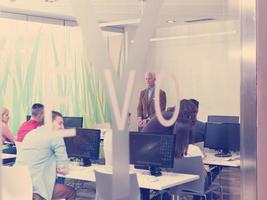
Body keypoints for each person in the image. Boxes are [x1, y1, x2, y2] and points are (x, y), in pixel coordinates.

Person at [15, 111, 76, 200]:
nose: (62, 127)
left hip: (16, 186)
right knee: (71, 192)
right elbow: (64, 169)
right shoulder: (55, 135)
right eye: (60, 123)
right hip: (35, 191)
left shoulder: (30, 134)